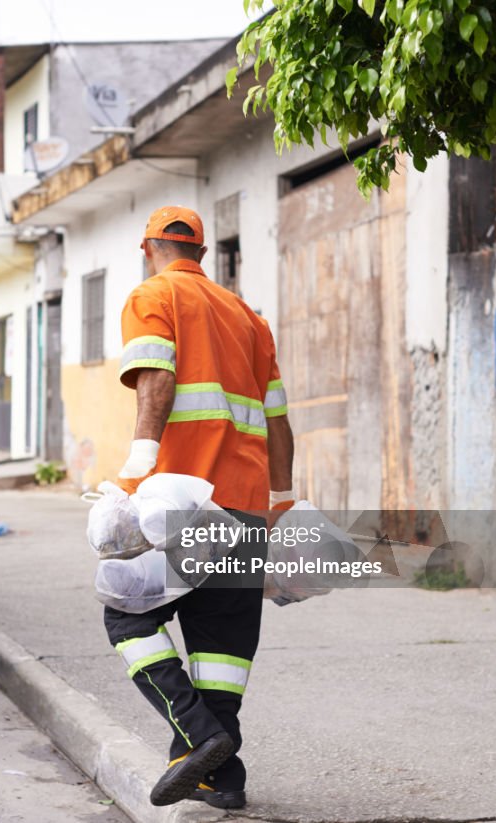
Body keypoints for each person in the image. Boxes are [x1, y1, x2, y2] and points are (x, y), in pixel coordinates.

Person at [105, 205, 295, 809]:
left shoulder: (152, 295)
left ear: (148, 248)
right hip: (245, 509)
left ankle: (201, 735)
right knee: (222, 648)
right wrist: (282, 497)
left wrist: (140, 456)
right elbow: (278, 419)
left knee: (126, 615)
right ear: (204, 256)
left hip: (179, 505)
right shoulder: (250, 319)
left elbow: (155, 378)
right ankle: (222, 776)